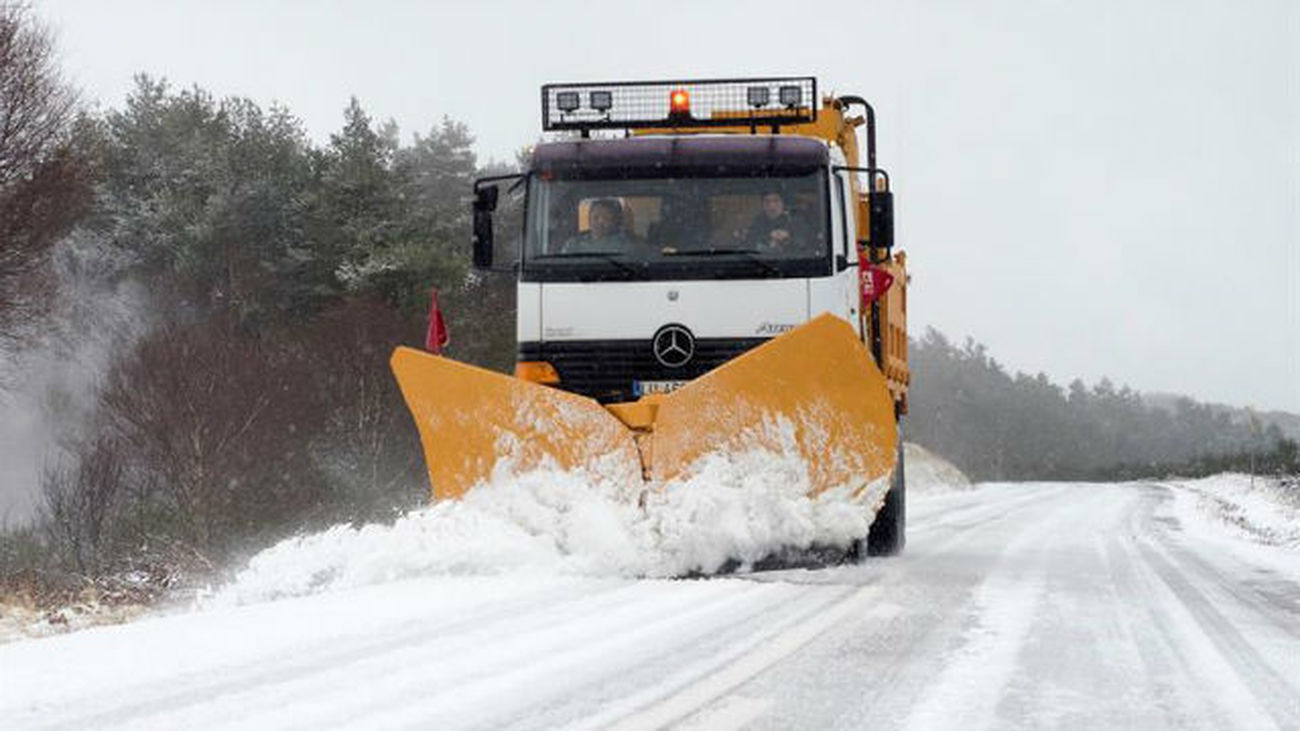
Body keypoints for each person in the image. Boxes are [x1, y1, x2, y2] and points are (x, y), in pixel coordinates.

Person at [562, 198, 635, 254]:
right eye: (595, 217)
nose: (600, 222)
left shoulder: (626, 244)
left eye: (606, 218)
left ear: (615, 221)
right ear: (589, 219)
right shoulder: (574, 244)